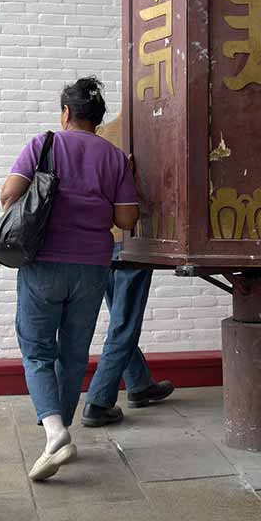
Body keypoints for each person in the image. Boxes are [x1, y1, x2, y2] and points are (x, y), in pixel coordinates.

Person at [0, 77, 139, 481]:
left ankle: (55, 432)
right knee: (74, 352)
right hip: (92, 267)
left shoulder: (44, 144)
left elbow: (9, 195)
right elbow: (125, 219)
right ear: (96, 117)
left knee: (38, 349)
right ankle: (58, 431)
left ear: (65, 113)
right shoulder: (114, 158)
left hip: (44, 264)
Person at [82, 114, 174, 427]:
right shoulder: (152, 136)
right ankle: (98, 401)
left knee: (121, 319)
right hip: (133, 240)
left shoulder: (100, 134)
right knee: (125, 323)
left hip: (101, 240)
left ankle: (140, 384)